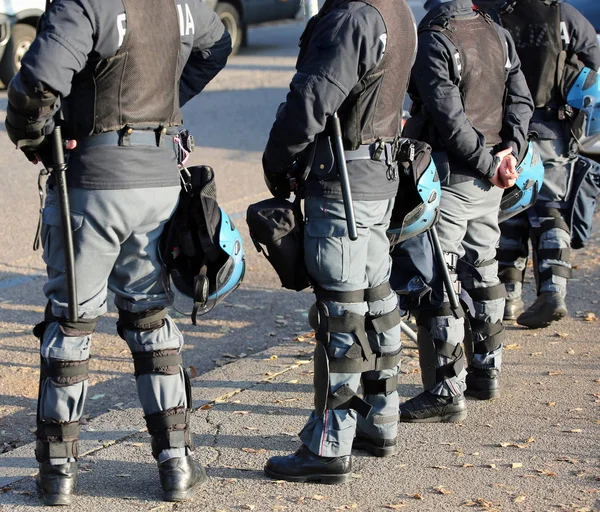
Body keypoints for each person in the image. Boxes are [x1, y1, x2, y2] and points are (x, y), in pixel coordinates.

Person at [4, 0, 231, 505]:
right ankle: (176, 463)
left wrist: (37, 139)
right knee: (150, 317)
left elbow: (36, 83)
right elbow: (217, 47)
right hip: (158, 178)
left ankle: (59, 473)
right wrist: (167, 108)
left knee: (71, 324)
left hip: (92, 182)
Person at [260, 0, 417, 484]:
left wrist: (276, 163)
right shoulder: (397, 10)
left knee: (342, 314)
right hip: (378, 177)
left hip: (342, 183)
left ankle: (329, 447)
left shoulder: (352, 18)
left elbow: (311, 102)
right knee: (376, 302)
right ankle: (379, 420)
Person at [391, 0, 533, 422]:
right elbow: (521, 102)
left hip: (453, 177)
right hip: (491, 176)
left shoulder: (435, 38)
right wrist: (510, 154)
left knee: (441, 278)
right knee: (483, 267)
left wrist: (494, 164)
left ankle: (446, 389)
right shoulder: (495, 31)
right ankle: (487, 372)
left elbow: (448, 119)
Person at [476, 0, 600, 329]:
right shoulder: (563, 15)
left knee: (509, 210)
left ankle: (508, 298)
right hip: (553, 127)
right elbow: (594, 61)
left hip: (506, 130)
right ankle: (553, 293)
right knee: (550, 209)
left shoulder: (493, 12)